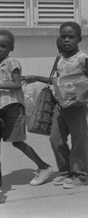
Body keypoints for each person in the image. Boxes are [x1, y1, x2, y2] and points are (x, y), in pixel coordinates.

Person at [26, 22, 88, 188]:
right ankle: (67, 171)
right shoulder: (59, 58)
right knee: (56, 140)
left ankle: (82, 175)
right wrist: (37, 77)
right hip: (60, 106)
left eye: (71, 37)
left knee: (78, 142)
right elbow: (56, 81)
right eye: (63, 36)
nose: (66, 40)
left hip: (76, 107)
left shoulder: (83, 59)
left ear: (79, 39)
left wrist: (84, 93)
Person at [0, 30, 53, 187]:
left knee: (17, 142)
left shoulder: (12, 62)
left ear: (11, 48)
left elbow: (17, 85)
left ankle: (44, 167)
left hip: (12, 109)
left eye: (3, 46)